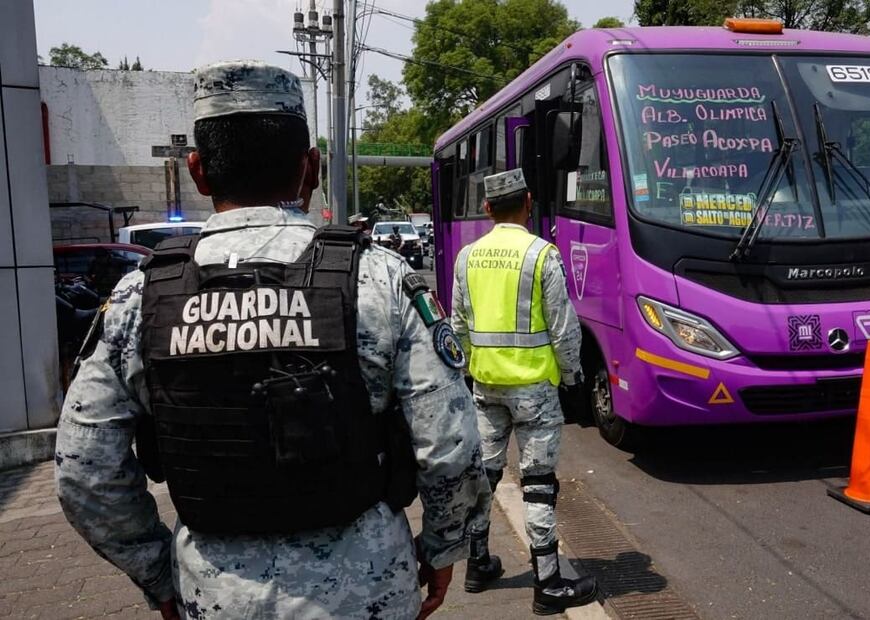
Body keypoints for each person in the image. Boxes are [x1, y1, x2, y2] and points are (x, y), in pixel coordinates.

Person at [55, 60, 489, 620]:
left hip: (214, 597)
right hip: (367, 591)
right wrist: (443, 546)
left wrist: (157, 573)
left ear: (198, 171)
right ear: (311, 167)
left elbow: (84, 471)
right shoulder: (379, 279)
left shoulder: (139, 299)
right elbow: (451, 444)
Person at [450, 169, 597, 615]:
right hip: (534, 390)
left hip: (486, 386)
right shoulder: (542, 255)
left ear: (487, 208)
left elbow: (458, 327)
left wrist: (472, 369)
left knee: (484, 477)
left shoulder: (467, 257)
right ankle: (548, 583)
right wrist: (572, 377)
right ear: (529, 203)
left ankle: (477, 565)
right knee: (537, 485)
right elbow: (564, 328)